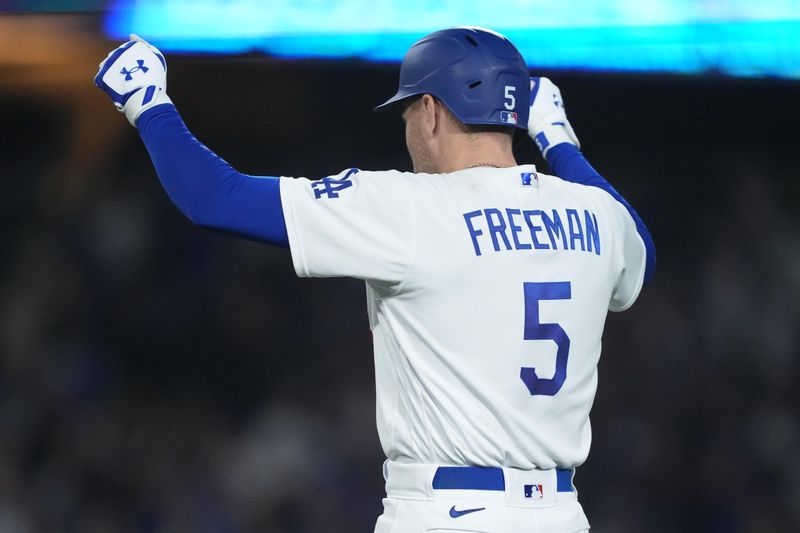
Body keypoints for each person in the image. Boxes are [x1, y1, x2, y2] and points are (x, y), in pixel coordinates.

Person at [95, 26, 655, 533]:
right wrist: (558, 139)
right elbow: (642, 255)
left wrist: (149, 104)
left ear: (432, 110)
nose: (408, 127)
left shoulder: (410, 207)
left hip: (443, 515)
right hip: (559, 515)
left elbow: (214, 198)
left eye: (407, 111)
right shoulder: (596, 215)